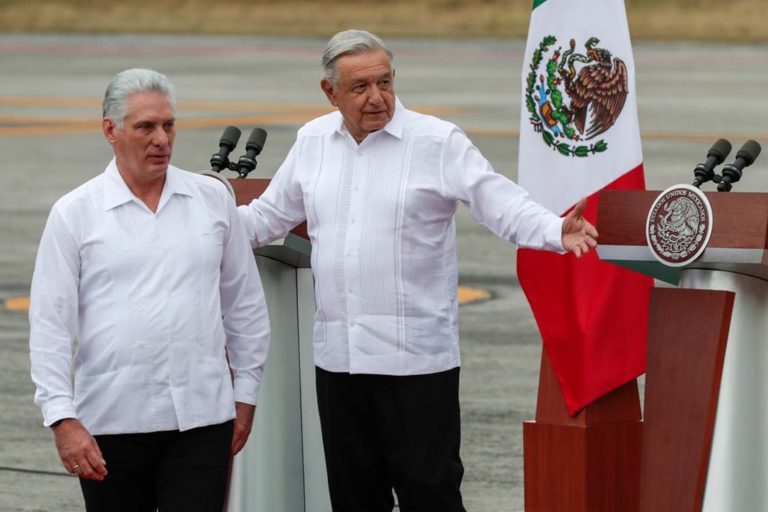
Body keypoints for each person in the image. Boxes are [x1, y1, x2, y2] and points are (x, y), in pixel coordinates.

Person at [238, 30, 597, 512]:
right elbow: (265, 219)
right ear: (331, 92)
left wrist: (554, 230)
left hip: (416, 366)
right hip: (339, 364)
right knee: (353, 499)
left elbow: (499, 202)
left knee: (431, 498)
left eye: (384, 82)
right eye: (360, 87)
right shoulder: (312, 143)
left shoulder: (436, 141)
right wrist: (197, 225)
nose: (377, 97)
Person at [29, 68, 270, 512]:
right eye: (146, 126)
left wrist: (246, 395)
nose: (161, 138)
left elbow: (245, 305)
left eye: (169, 125)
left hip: (203, 419)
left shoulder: (213, 199)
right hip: (111, 423)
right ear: (110, 130)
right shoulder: (74, 214)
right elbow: (50, 326)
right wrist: (62, 419)